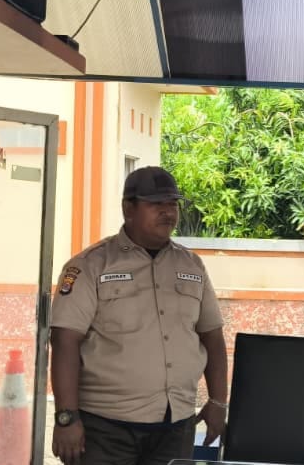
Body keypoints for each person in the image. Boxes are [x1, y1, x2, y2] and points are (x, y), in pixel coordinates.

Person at [49, 166, 229, 465]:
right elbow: (64, 342)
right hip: (105, 428)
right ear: (128, 209)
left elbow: (212, 336)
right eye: (156, 204)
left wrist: (218, 401)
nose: (167, 212)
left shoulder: (191, 265)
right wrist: (66, 418)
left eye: (172, 204)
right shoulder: (91, 265)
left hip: (176, 424)